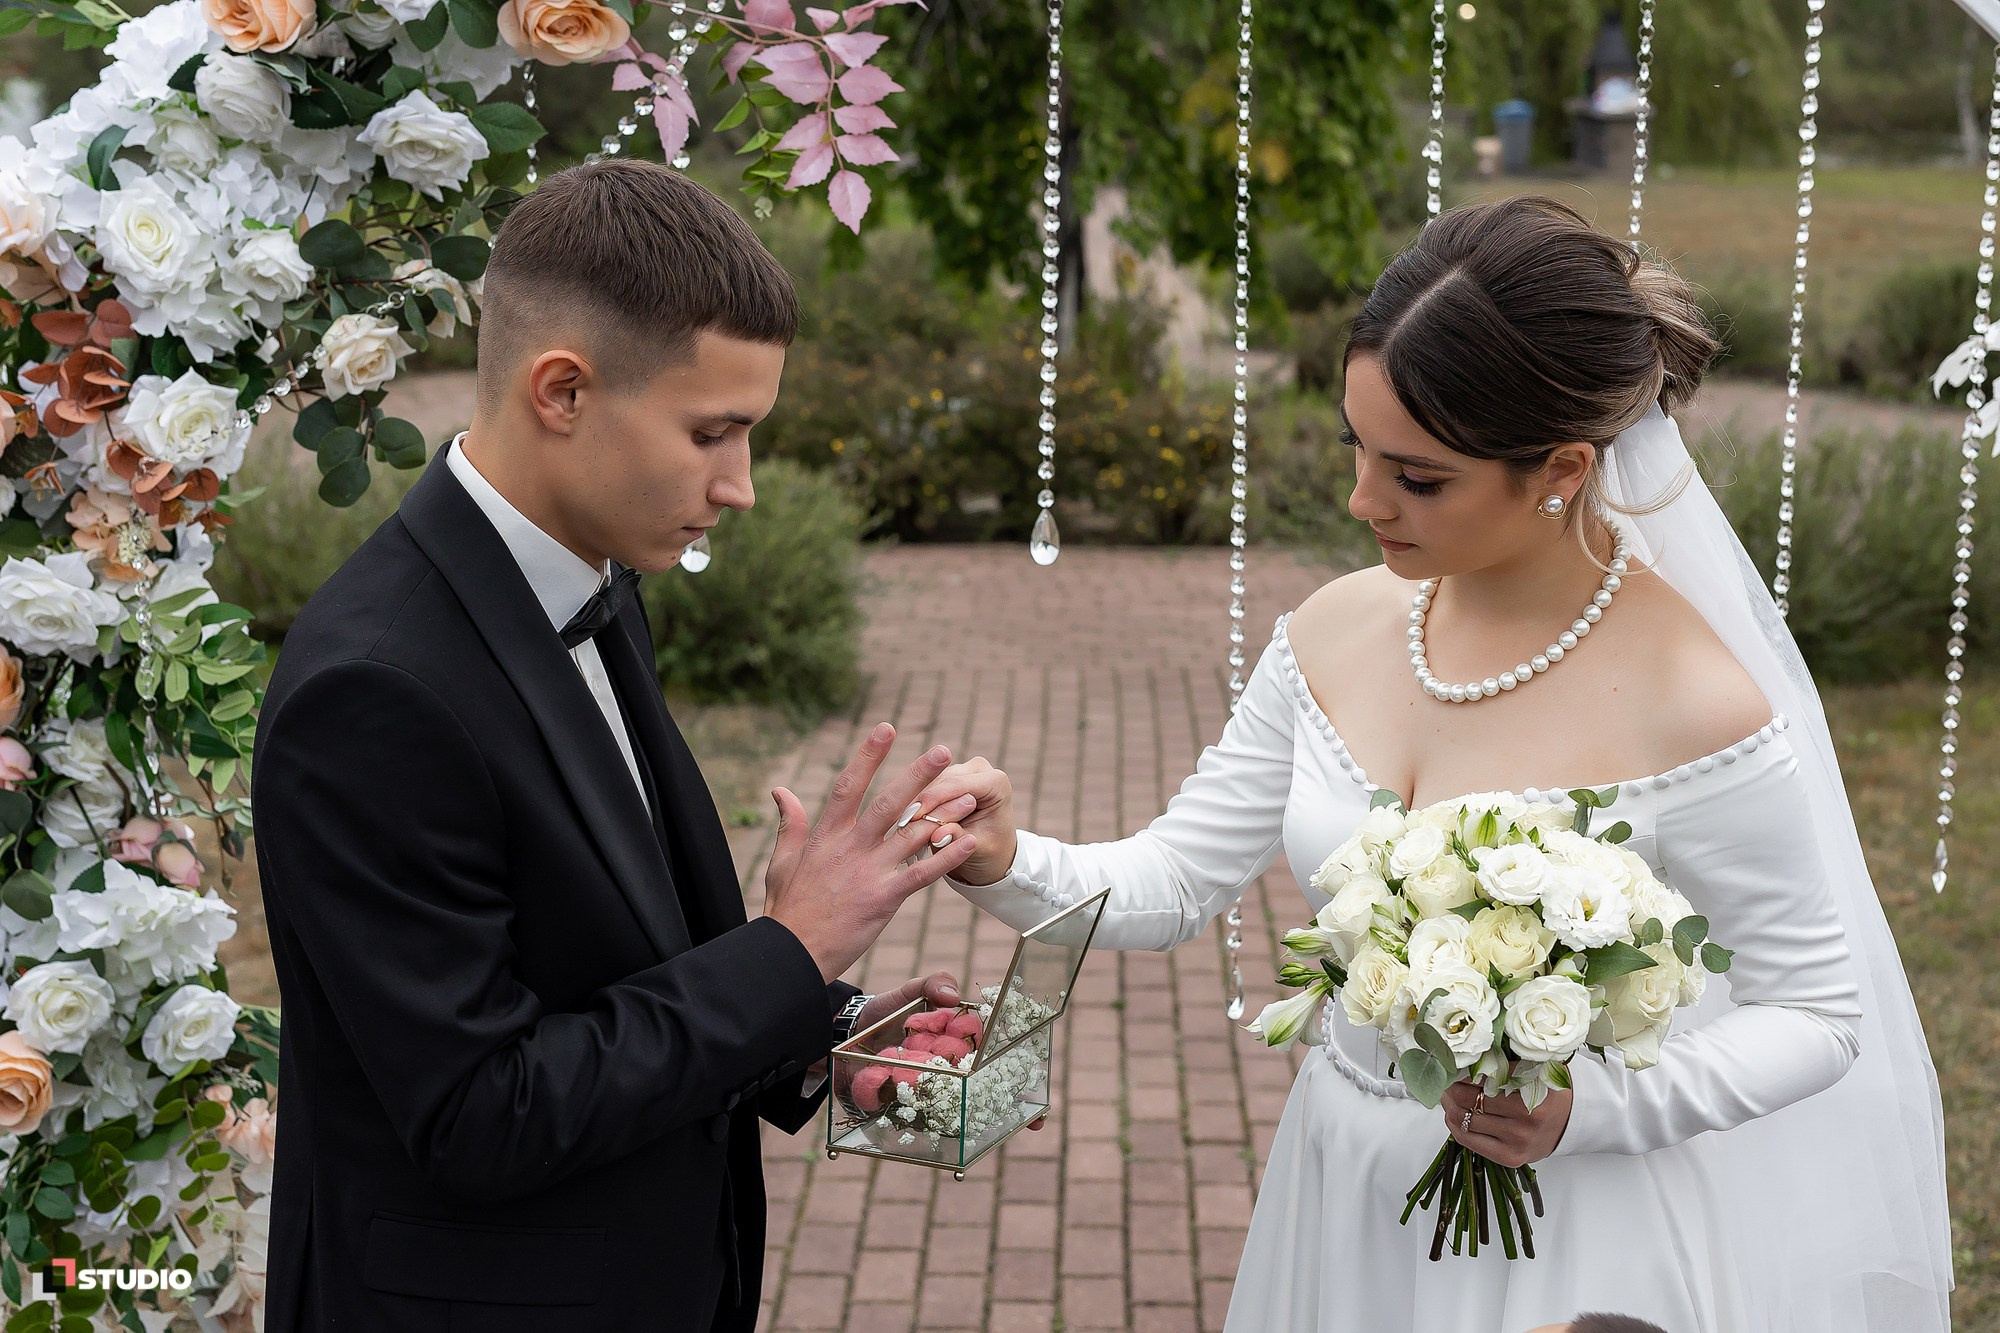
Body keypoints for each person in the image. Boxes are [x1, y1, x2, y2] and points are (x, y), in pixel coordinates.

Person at [916, 197, 1952, 1331]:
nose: (1362, 501)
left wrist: (1584, 1107)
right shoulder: (1330, 629)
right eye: (1355, 449)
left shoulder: (1692, 701)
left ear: (1558, 467)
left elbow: (1818, 1011)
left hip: (1570, 1238)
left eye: (1417, 479)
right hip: (1341, 1188)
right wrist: (1002, 860)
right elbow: (1173, 881)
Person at [252, 160, 982, 1332]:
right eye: (713, 433)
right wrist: (786, 951)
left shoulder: (590, 582)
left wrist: (823, 1037)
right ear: (562, 391)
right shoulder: (372, 692)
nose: (739, 486)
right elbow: (480, 1114)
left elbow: (610, 976)